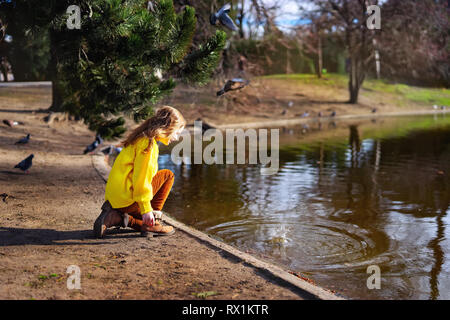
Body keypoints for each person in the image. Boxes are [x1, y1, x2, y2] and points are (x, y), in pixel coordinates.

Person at [93, 106, 186, 238]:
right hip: (127, 200)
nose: (176, 138)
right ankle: (153, 222)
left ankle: (117, 218)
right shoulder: (149, 145)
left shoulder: (138, 138)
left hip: (115, 198)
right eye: (177, 132)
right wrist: (147, 210)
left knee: (157, 178)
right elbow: (141, 180)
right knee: (167, 175)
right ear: (168, 127)